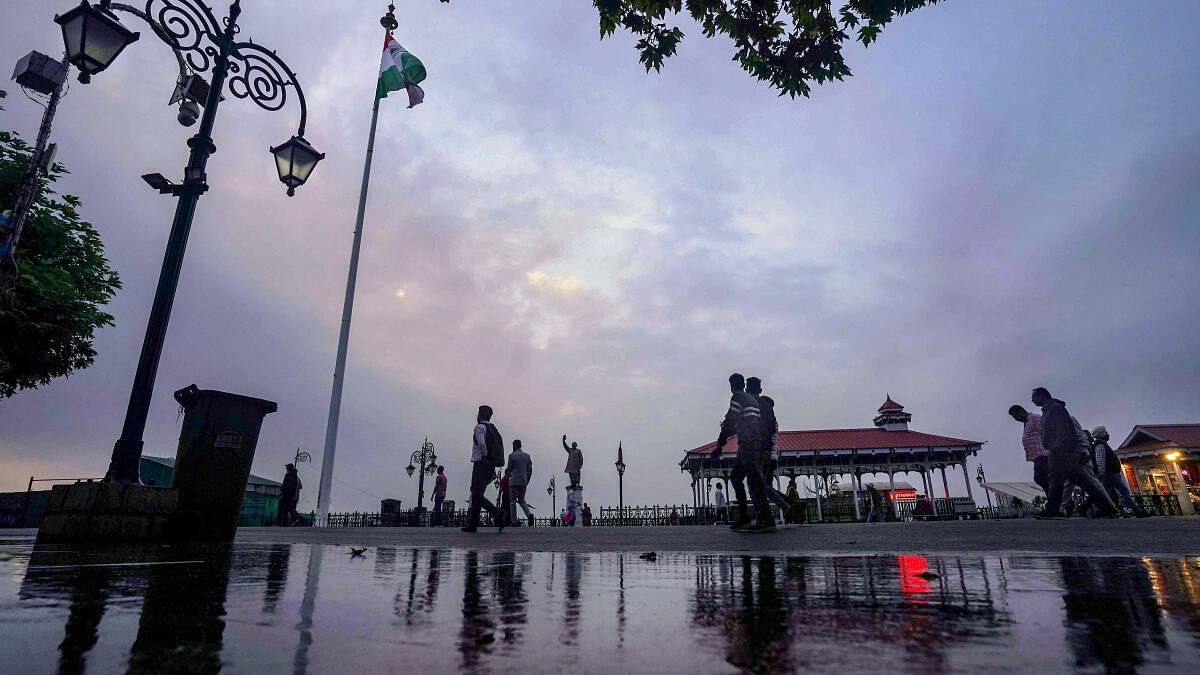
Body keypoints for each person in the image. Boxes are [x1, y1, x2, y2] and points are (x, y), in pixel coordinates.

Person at [1031, 388, 1118, 519]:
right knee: (1083, 480)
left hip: (1062, 452)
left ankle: (1053, 510)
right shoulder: (1047, 412)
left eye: (1034, 396)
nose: (1032, 400)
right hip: (1059, 451)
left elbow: (1065, 431)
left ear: (1042, 396)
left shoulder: (1055, 409)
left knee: (1057, 479)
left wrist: (1060, 448)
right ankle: (1108, 508)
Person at [715, 373, 775, 532]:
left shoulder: (737, 398)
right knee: (737, 477)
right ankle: (745, 516)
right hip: (754, 442)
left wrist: (719, 445)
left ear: (732, 385)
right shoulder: (752, 400)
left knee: (754, 480)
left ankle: (765, 519)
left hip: (748, 443)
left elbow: (730, 422)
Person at [463, 405, 507, 533]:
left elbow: (482, 444)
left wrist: (484, 456)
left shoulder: (479, 427)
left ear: (480, 415)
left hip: (481, 463)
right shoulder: (493, 428)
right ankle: (472, 524)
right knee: (478, 494)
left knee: (475, 492)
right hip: (490, 464)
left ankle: (497, 513)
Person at [1090, 426, 1146, 517]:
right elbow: (1100, 460)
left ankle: (1099, 511)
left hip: (1108, 474)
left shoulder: (1101, 444)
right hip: (1109, 474)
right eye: (1106, 432)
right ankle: (1135, 510)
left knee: (1105, 493)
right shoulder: (1100, 445)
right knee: (1123, 491)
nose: (1107, 434)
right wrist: (1101, 472)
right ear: (1102, 434)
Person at [1009, 404, 1050, 495]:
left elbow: (1045, 432)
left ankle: (1054, 498)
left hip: (1043, 454)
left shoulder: (1034, 418)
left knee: (1040, 478)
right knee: (1042, 478)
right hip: (1036, 457)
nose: (1016, 419)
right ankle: (1053, 497)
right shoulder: (1026, 423)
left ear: (1021, 411)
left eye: (1015, 416)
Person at [506, 439, 536, 527]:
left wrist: (507, 476)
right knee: (522, 500)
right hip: (523, 481)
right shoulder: (527, 456)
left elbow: (509, 469)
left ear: (514, 446)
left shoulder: (511, 456)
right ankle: (529, 514)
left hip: (514, 481)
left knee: (512, 501)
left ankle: (514, 521)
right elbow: (530, 470)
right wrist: (527, 480)